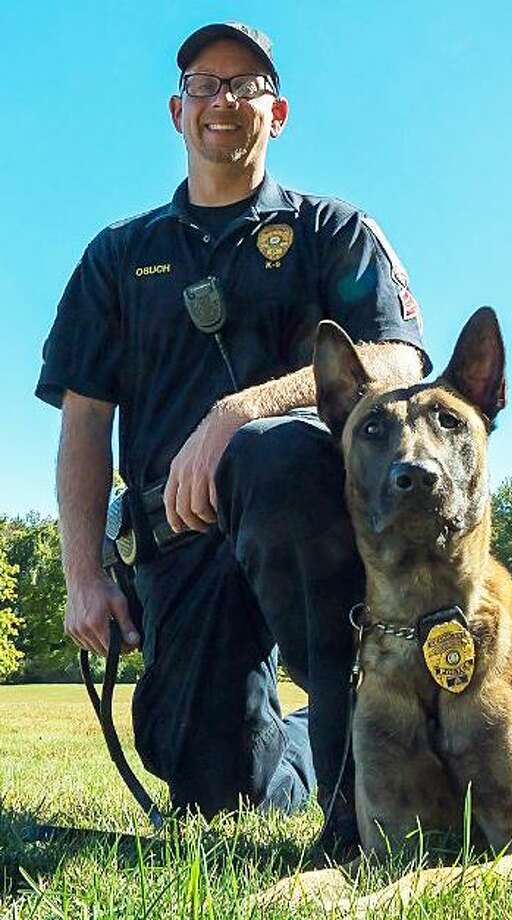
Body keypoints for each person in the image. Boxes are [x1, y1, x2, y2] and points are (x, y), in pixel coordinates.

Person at [35, 21, 429, 845]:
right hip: (175, 537)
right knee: (215, 790)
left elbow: (398, 358)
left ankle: (361, 787)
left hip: (306, 513)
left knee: (271, 452)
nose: (224, 100)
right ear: (177, 111)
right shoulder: (116, 257)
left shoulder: (334, 231)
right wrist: (84, 577)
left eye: (245, 85)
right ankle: (296, 750)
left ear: (276, 112)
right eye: (206, 85)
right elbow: (85, 423)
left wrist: (239, 410)